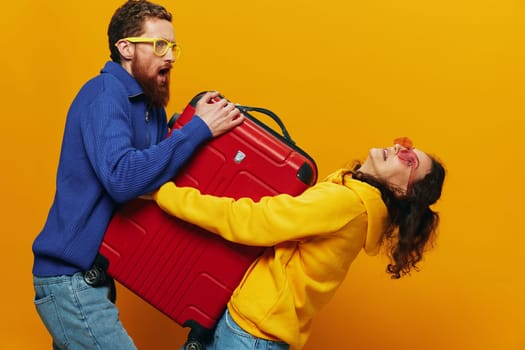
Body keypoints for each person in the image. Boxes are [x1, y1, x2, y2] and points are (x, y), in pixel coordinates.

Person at [31, 1, 243, 349]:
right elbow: (124, 179)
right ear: (126, 48)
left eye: (173, 46)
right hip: (68, 279)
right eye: (160, 45)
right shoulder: (104, 95)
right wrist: (197, 131)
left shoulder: (151, 108)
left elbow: (151, 182)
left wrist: (190, 129)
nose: (171, 56)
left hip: (95, 276)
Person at [151, 137, 446, 350]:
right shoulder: (356, 201)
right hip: (252, 328)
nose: (398, 149)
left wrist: (167, 195)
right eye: (404, 145)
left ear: (403, 192)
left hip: (251, 335)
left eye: (408, 160)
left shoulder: (348, 202)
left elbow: (254, 222)